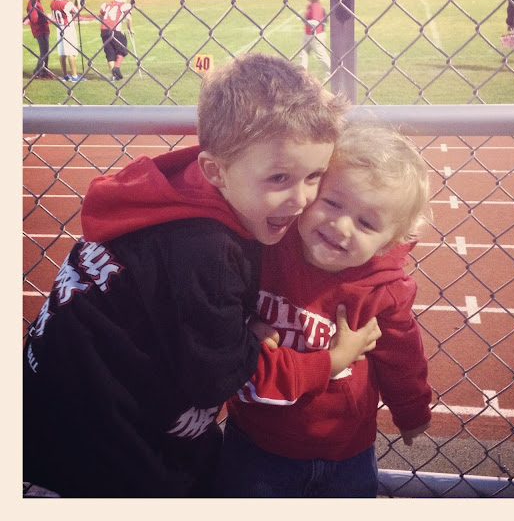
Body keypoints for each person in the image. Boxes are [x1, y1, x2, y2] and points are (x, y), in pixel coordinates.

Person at [22, 53, 381, 498]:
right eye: (279, 178)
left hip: (54, 412)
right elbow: (217, 378)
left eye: (315, 176)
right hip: (103, 455)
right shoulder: (206, 249)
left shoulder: (178, 188)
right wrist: (327, 360)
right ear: (216, 170)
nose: (301, 198)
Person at [216, 122, 433, 498]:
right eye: (332, 202)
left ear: (389, 243)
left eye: (367, 223)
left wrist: (412, 411)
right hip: (256, 438)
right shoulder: (266, 246)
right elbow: (223, 297)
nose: (341, 226)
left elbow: (402, 355)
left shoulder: (384, 287)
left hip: (345, 448)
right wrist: (246, 322)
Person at [49, 0, 85, 82]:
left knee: (62, 53)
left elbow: (66, 11)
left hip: (59, 28)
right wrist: (78, 1)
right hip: (68, 28)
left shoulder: (53, 2)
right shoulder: (66, 3)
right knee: (71, 52)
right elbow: (77, 12)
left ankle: (65, 75)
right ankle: (74, 76)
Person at [99, 0, 135, 81]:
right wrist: (130, 29)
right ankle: (117, 67)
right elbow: (128, 18)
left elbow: (101, 14)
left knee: (110, 52)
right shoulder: (124, 5)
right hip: (115, 30)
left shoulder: (106, 4)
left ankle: (114, 76)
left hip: (104, 30)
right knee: (122, 48)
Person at [299, 0, 331, 81]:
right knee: (303, 53)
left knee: (321, 55)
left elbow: (316, 22)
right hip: (307, 34)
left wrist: (303, 20)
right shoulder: (310, 5)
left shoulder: (315, 6)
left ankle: (331, 72)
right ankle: (302, 74)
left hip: (316, 35)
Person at [25, 0, 53, 79]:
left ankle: (44, 71)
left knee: (45, 51)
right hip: (39, 30)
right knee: (44, 52)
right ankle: (38, 72)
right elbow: (34, 18)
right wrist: (45, 16)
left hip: (42, 29)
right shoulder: (33, 3)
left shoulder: (36, 2)